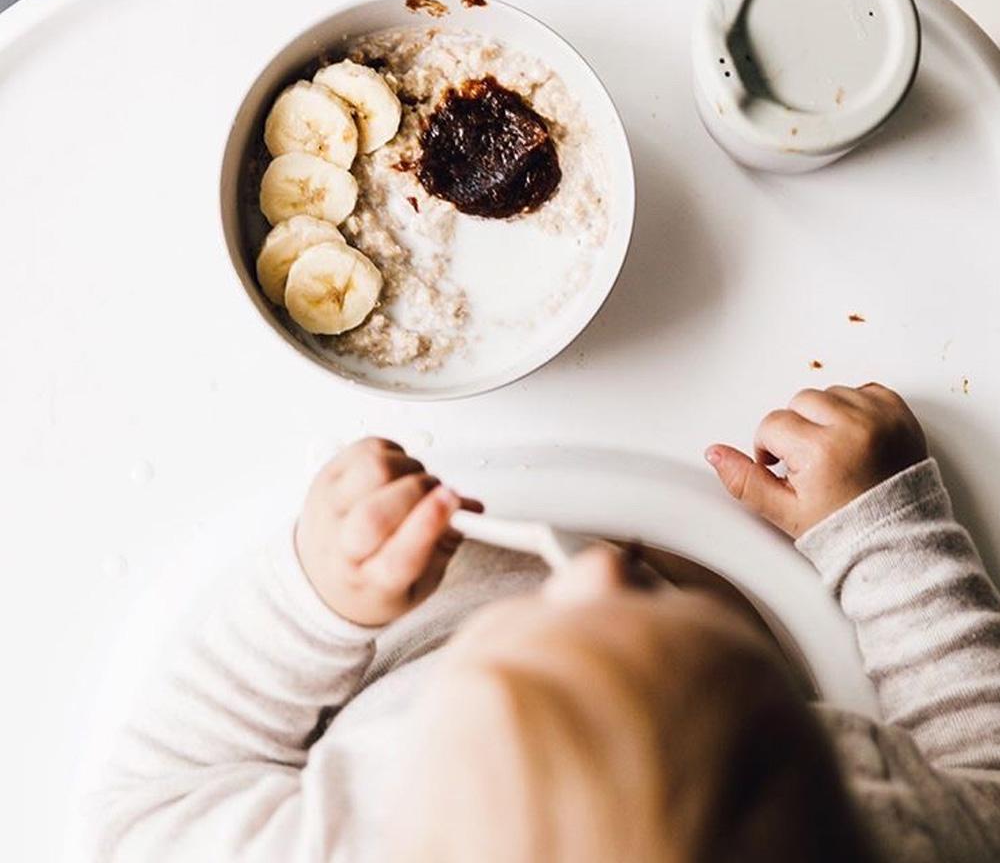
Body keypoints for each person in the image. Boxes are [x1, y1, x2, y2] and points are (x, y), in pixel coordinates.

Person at [92, 383, 1000, 861]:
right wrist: (882, 526)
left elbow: (150, 810)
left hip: (392, 615)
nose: (602, 565)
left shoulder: (342, 844)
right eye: (651, 625)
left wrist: (313, 605)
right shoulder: (891, 837)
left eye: (557, 623)